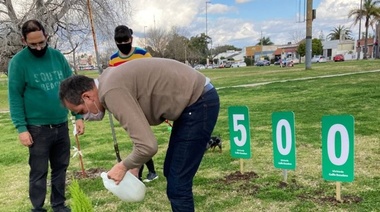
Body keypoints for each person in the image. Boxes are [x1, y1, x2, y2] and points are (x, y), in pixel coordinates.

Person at [59, 58, 220, 212]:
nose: (86, 117)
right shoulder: (107, 82)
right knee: (171, 171)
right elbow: (140, 135)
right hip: (195, 100)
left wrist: (123, 166)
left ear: (87, 96)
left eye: (81, 111)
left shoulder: (111, 92)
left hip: (198, 101)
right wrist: (135, 166)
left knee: (178, 184)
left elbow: (148, 146)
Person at [7, 19, 85, 212]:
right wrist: (21, 128)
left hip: (60, 124)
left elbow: (72, 89)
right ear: (23, 41)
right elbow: (15, 97)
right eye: (33, 44)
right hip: (37, 129)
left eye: (41, 42)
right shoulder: (18, 62)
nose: (39, 47)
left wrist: (78, 116)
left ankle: (59, 205)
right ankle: (38, 208)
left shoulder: (57, 57)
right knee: (39, 172)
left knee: (61, 169)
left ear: (46, 36)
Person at [108, 25, 157, 182]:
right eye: (119, 41)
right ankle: (149, 172)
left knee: (141, 140)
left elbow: (153, 75)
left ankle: (142, 174)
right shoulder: (113, 59)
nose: (123, 44)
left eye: (126, 40)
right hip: (127, 102)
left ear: (131, 38)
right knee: (139, 140)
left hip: (142, 101)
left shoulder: (143, 55)